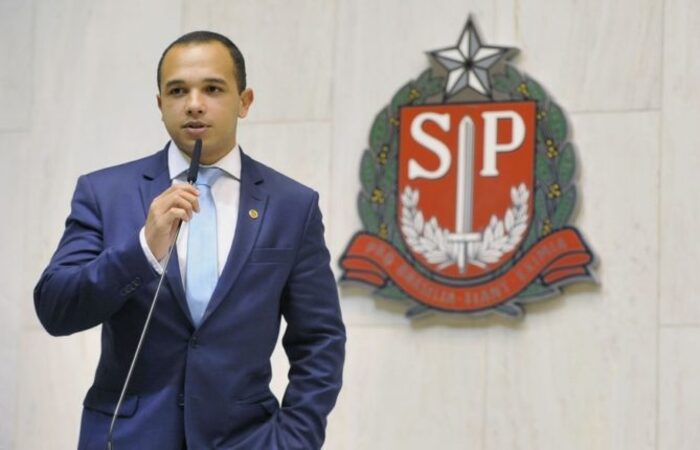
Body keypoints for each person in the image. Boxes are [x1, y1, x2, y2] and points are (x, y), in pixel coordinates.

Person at [34, 31, 345, 450]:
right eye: (177, 90)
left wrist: (293, 439)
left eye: (213, 89)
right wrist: (143, 248)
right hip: (126, 439)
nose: (194, 103)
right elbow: (56, 309)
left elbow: (320, 340)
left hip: (248, 440)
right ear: (160, 105)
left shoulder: (292, 205)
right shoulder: (104, 193)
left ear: (245, 101)